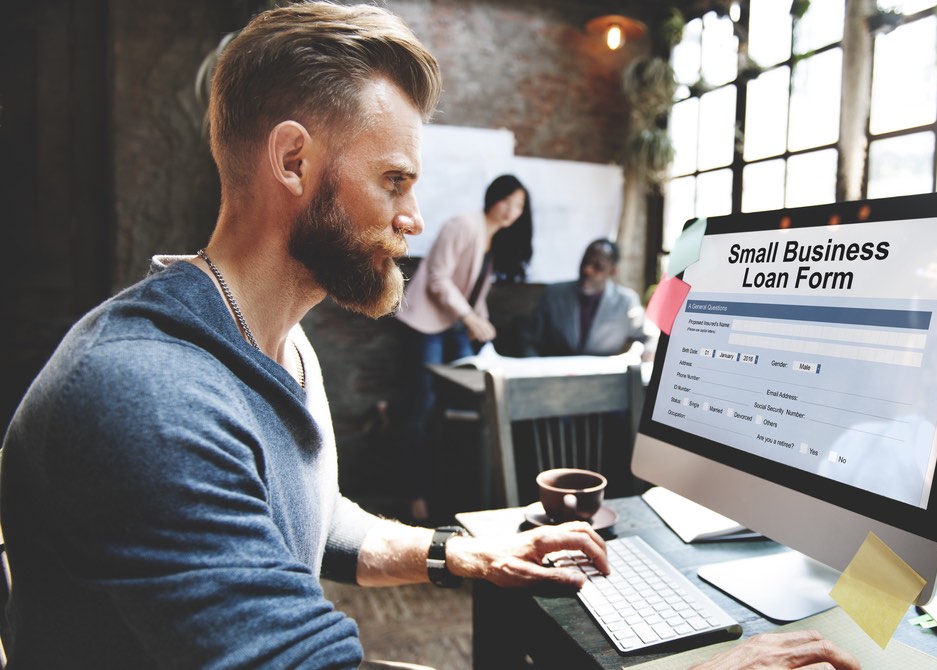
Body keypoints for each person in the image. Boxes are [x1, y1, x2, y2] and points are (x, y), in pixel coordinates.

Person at [0, 4, 858, 669]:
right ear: (292, 162)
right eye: (395, 180)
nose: (413, 218)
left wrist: (467, 554)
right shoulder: (146, 399)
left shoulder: (277, 345)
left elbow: (315, 522)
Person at [393, 174, 531, 521]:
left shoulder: (492, 239)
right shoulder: (463, 225)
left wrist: (481, 325)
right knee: (421, 407)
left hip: (454, 326)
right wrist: (471, 318)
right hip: (426, 324)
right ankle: (413, 493)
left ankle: (449, 491)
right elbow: (438, 278)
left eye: (520, 206)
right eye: (508, 202)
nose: (512, 211)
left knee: (458, 408)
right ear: (493, 197)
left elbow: (475, 293)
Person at [523, 238, 652, 359]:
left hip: (604, 377)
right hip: (556, 375)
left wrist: (648, 351)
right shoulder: (554, 294)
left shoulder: (626, 301)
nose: (587, 270)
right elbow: (528, 339)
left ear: (612, 271)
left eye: (598, 266)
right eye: (585, 262)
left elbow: (649, 337)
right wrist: (537, 369)